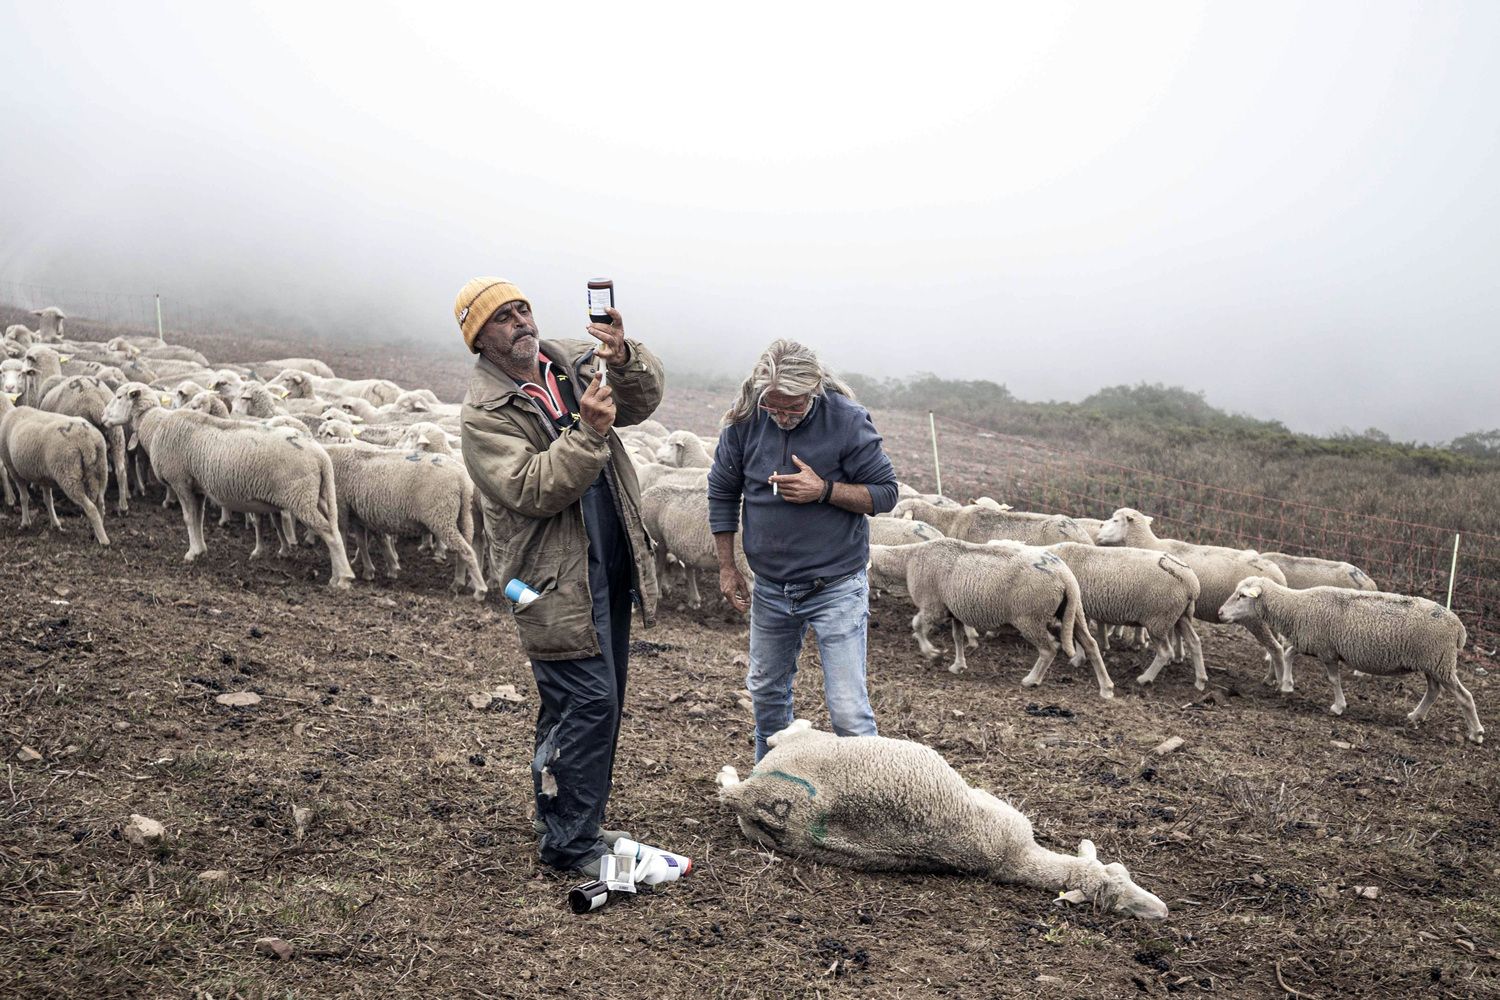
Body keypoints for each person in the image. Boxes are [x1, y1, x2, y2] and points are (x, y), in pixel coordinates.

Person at [455, 277, 665, 878]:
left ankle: (575, 822)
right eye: (502, 317)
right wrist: (591, 433)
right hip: (544, 578)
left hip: (607, 557)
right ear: (479, 338)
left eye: (523, 308)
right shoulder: (484, 414)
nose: (521, 321)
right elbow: (531, 488)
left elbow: (643, 403)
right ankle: (570, 843)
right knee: (588, 703)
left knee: (598, 701)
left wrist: (625, 358)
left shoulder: (572, 357)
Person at [708, 339, 899, 761]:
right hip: (772, 587)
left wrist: (824, 490)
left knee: (848, 710)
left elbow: (885, 494)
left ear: (813, 389)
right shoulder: (746, 419)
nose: (782, 416)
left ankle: (868, 805)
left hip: (835, 586)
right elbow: (722, 491)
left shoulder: (847, 421)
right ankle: (772, 787)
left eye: (793, 407)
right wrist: (727, 567)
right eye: (773, 407)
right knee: (766, 693)